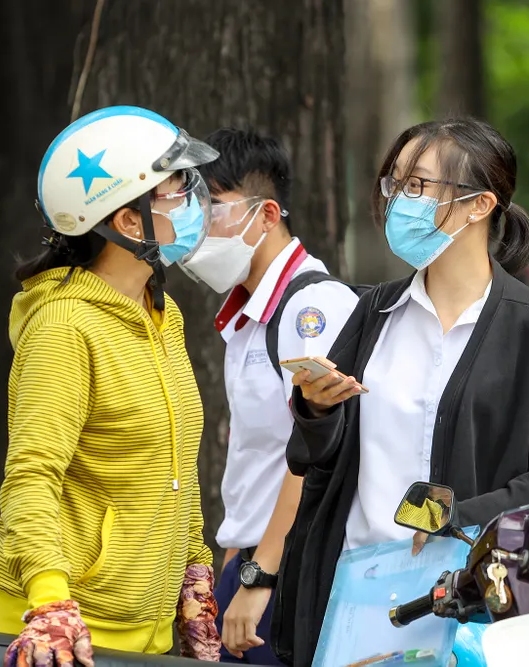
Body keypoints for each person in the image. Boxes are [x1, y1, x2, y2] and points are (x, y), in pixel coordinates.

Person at [271, 117, 529, 667]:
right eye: (396, 182)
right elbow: (315, 459)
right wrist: (316, 408)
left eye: (418, 185)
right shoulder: (375, 311)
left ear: (480, 205)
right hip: (358, 591)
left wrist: (459, 515)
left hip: (471, 606)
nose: (399, 200)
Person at [0, 105, 222, 666]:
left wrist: (194, 573)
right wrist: (50, 602)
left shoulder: (160, 313)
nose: (194, 204)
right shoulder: (64, 327)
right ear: (129, 222)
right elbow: (31, 475)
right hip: (65, 629)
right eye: (176, 192)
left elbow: (175, 465)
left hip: (146, 622)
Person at [179, 128, 359, 664]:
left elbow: (318, 452)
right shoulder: (249, 315)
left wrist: (260, 576)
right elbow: (256, 457)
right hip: (252, 564)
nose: (197, 226)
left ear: (267, 214)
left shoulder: (312, 309)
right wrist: (234, 561)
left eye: (212, 208)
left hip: (288, 572)